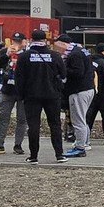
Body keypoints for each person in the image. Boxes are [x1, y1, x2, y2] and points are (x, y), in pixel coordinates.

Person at [15, 29, 68, 165]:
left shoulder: (25, 57)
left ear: (32, 40)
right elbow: (63, 74)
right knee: (55, 125)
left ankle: (33, 156)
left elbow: (19, 78)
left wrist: (20, 95)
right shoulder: (55, 56)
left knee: (33, 126)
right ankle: (59, 154)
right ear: (45, 40)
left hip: (31, 96)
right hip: (52, 95)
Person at [0, 33, 28, 156]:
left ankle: (18, 144)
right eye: (15, 41)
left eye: (19, 42)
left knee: (22, 119)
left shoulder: (28, 54)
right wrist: (6, 55)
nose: (17, 44)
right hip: (7, 89)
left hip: (23, 91)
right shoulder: (5, 52)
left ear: (25, 42)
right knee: (3, 117)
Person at [55, 36, 96, 158]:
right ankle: (84, 143)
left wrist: (62, 69)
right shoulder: (81, 50)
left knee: (78, 121)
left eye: (58, 46)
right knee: (82, 119)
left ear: (63, 44)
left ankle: (80, 147)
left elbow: (78, 72)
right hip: (87, 88)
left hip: (79, 90)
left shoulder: (74, 55)